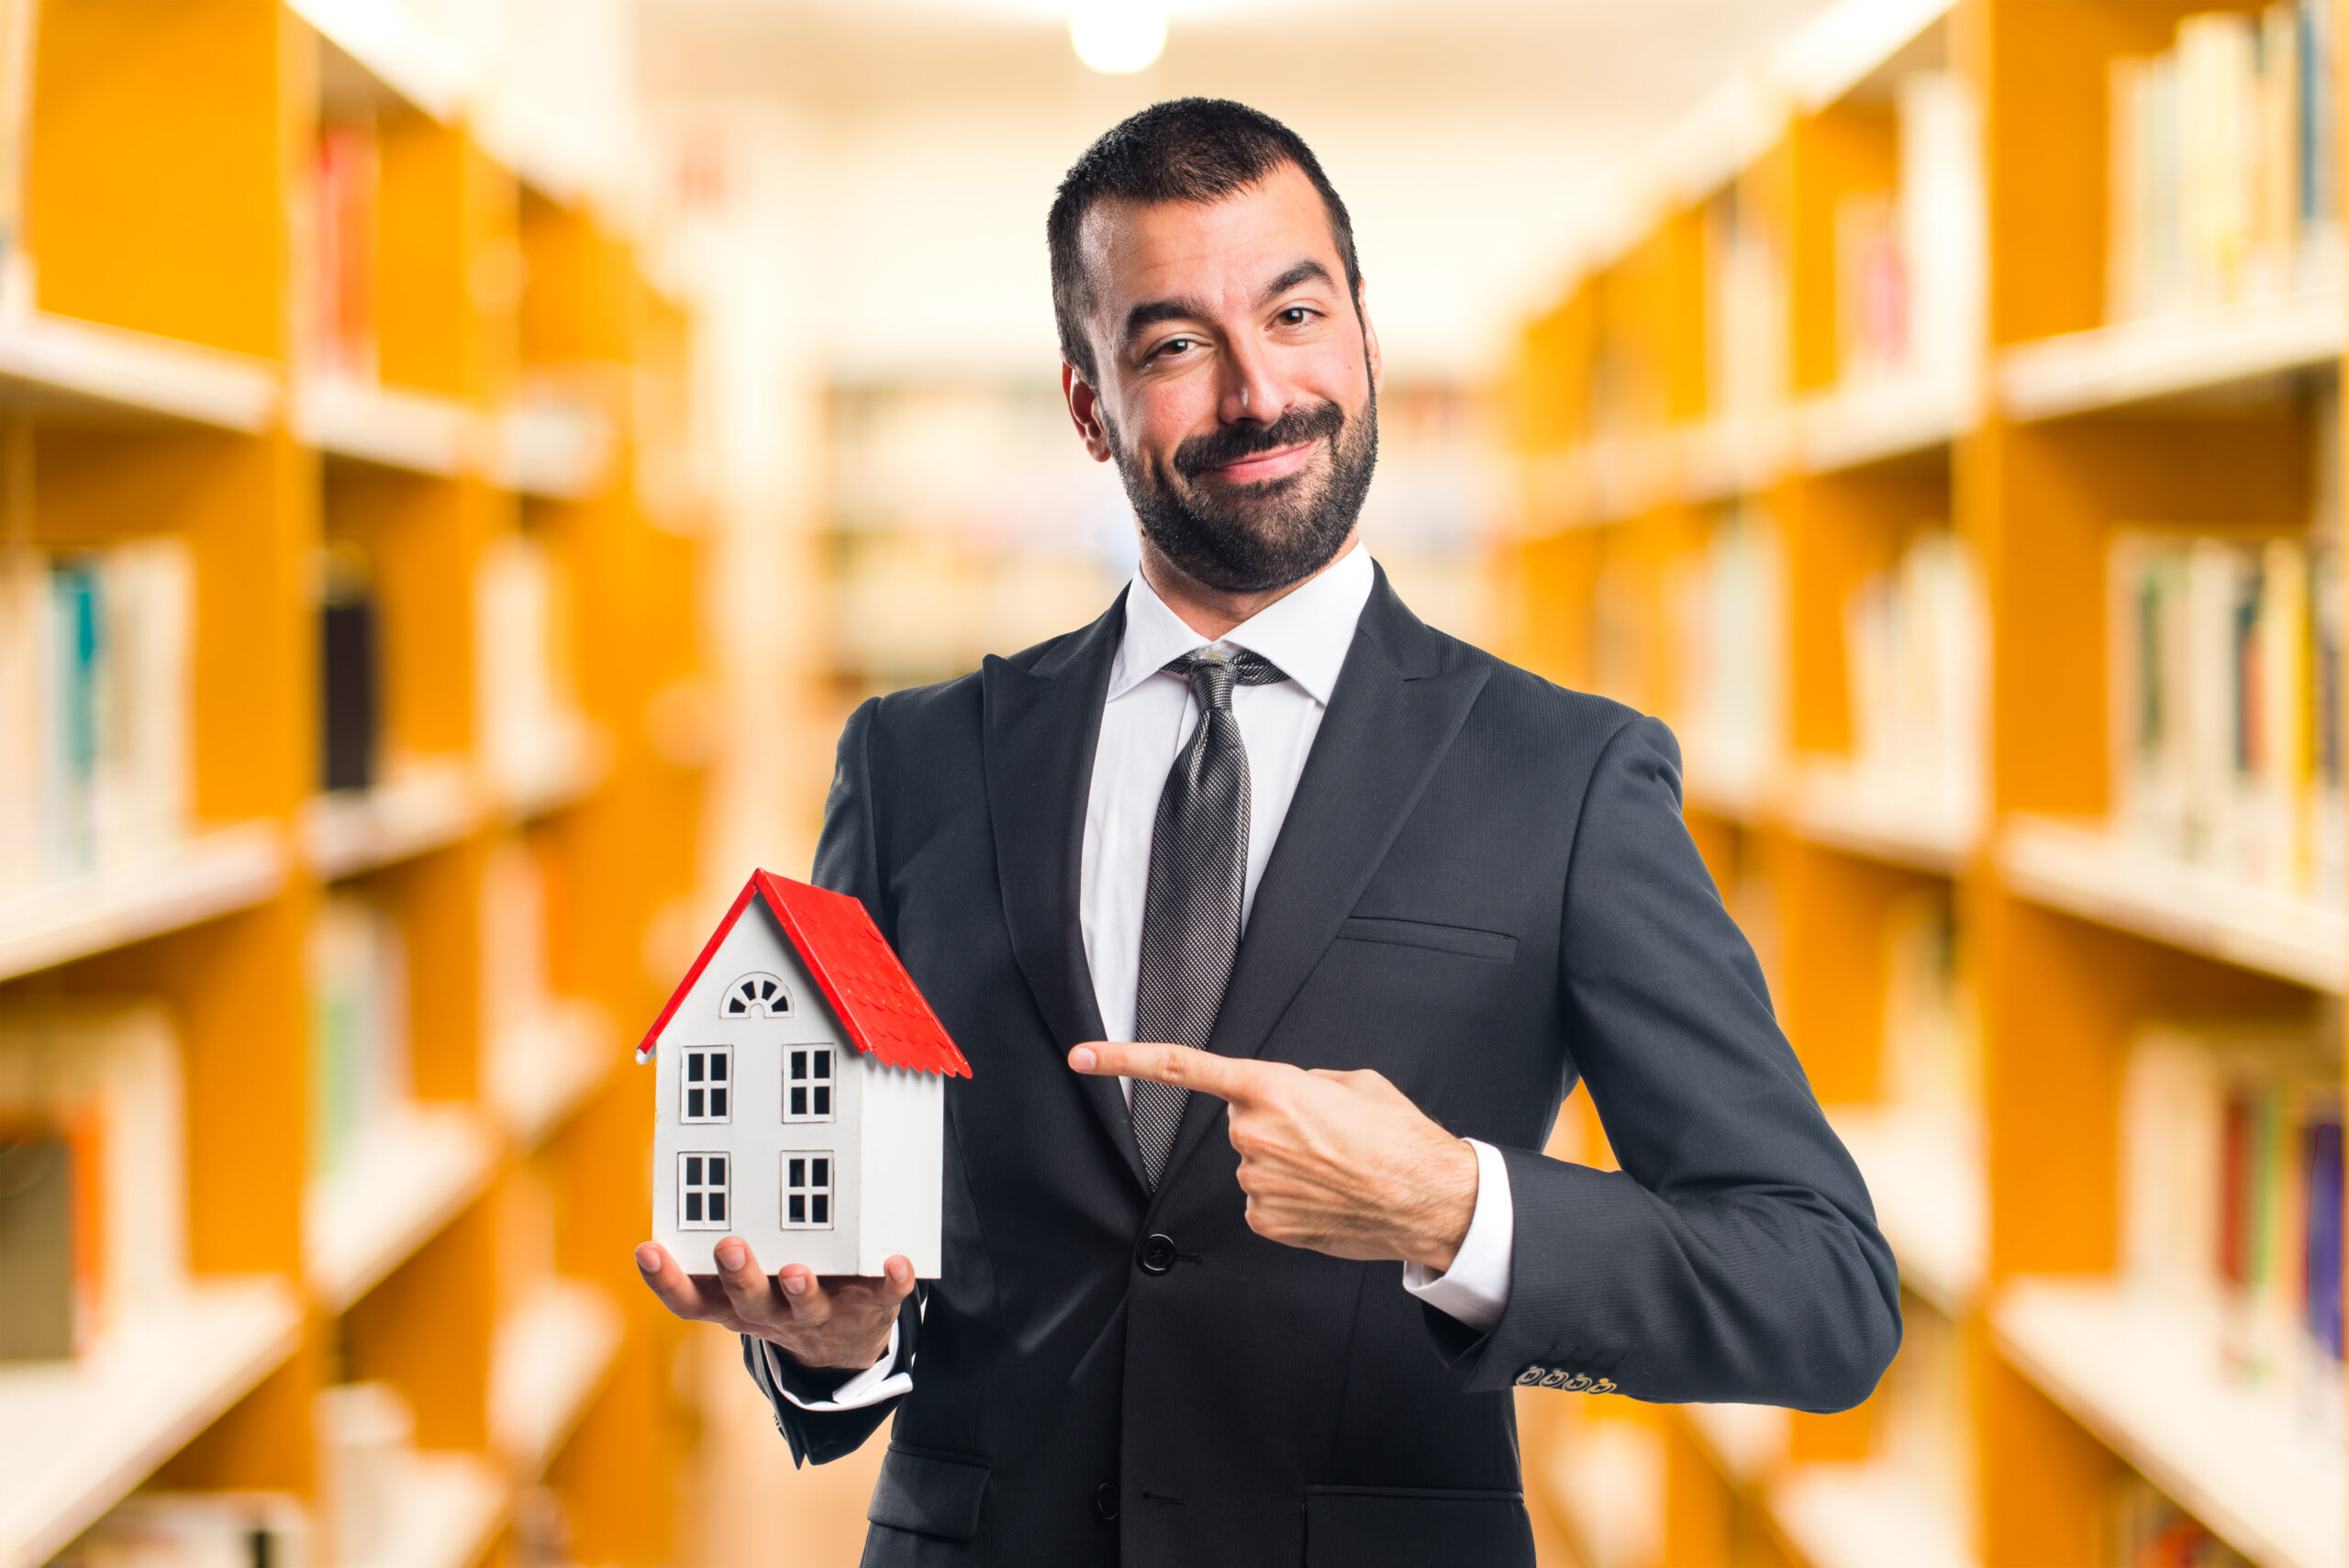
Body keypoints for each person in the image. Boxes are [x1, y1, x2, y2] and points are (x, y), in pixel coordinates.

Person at [635, 97, 1900, 1567]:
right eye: (1174, 342)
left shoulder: (1566, 776)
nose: (1256, 389)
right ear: (1088, 403)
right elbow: (866, 1232)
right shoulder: (916, 762)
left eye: (1295, 312)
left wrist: (1456, 1208)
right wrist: (839, 1339)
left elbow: (1823, 1290)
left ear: (1363, 329)